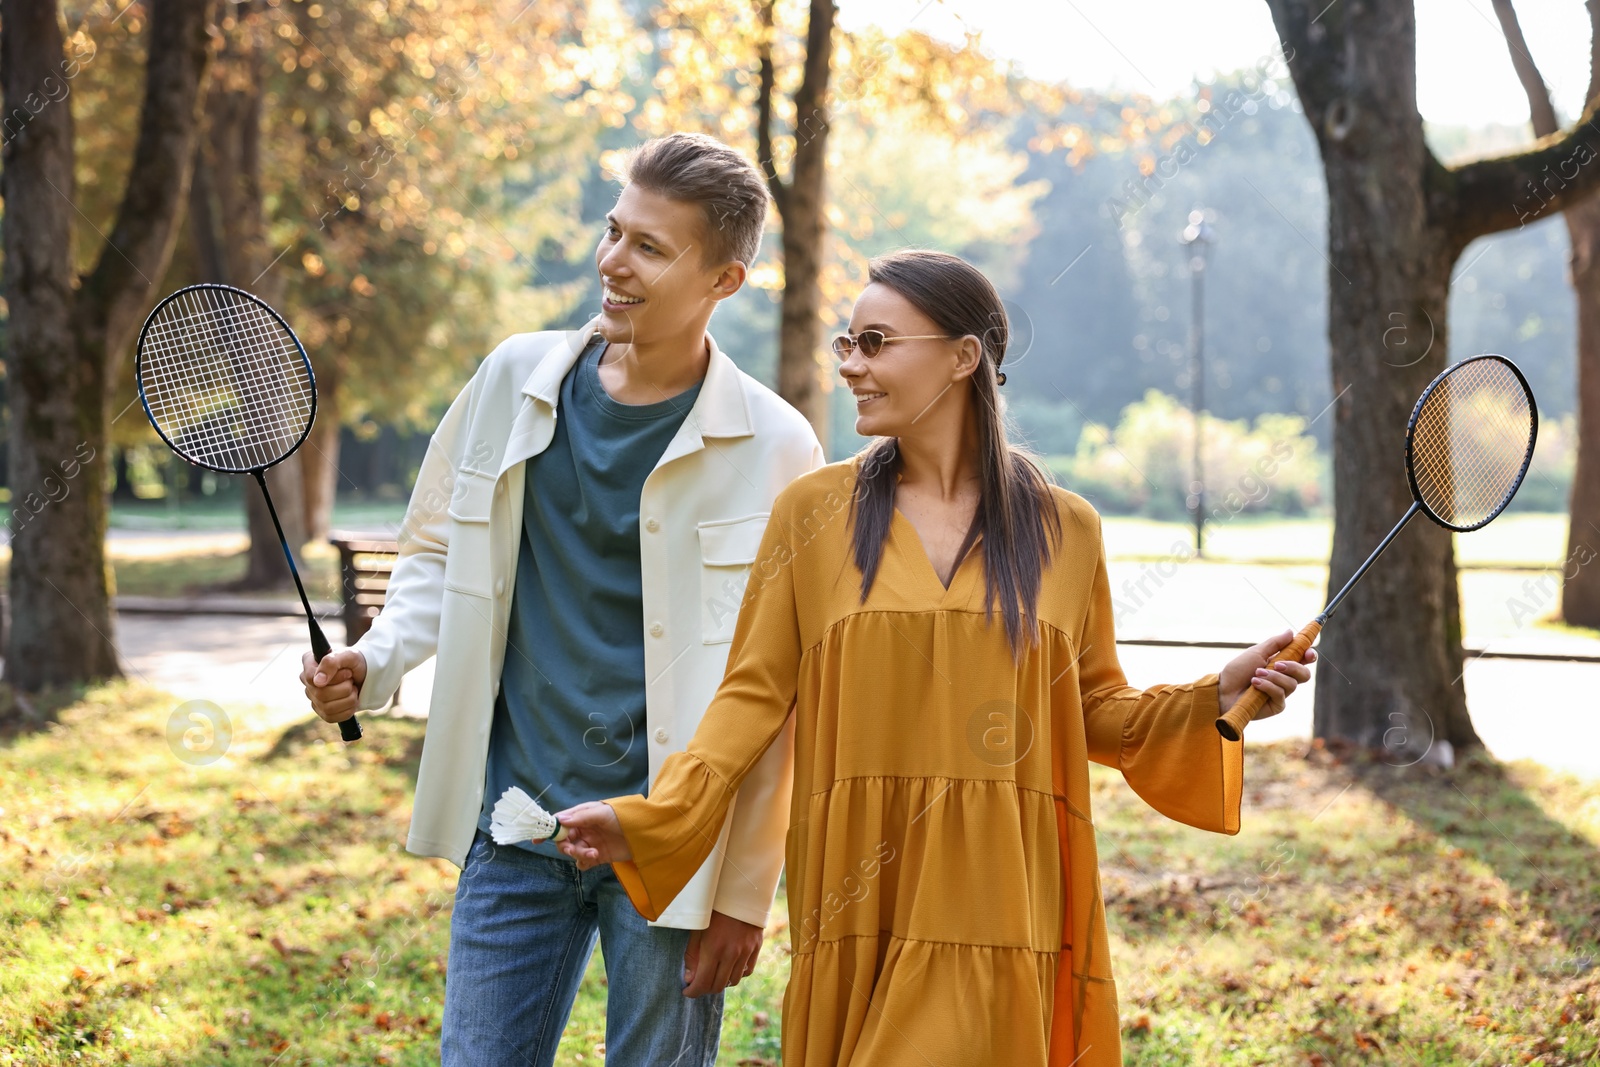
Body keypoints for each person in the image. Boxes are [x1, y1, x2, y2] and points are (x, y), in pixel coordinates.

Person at [553, 248, 1315, 1066]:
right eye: (846, 344)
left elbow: (1092, 711)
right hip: (859, 890)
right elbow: (751, 696)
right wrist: (655, 819)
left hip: (1005, 894)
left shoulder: (1068, 529)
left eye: (875, 342)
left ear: (963, 356)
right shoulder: (811, 513)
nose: (851, 365)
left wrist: (1215, 694)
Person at [299, 132, 824, 1067]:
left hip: (671, 852)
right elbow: (433, 550)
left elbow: (778, 695)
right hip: (512, 825)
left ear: (724, 281)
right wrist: (372, 661)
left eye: (651, 248)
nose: (614, 262)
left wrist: (744, 890)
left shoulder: (778, 447)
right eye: (615, 231)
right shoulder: (510, 378)